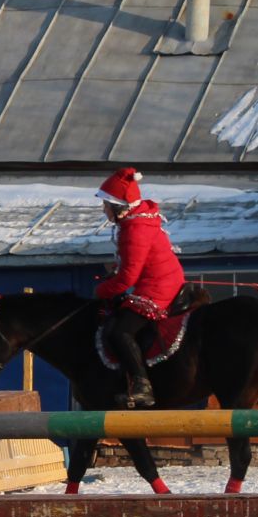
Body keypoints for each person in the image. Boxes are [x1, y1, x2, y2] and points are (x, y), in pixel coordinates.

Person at [93, 167, 184, 409]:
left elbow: (128, 278)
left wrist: (102, 291)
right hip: (160, 279)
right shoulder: (137, 220)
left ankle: (143, 385)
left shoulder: (135, 229)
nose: (104, 210)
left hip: (158, 286)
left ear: (119, 206)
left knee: (120, 332)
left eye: (106, 205)